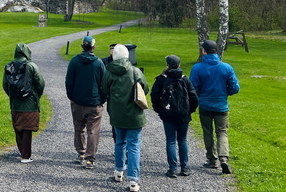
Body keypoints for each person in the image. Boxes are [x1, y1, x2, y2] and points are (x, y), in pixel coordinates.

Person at [102, 44, 149, 192]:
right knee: (134, 146)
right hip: (135, 115)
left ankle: (118, 172)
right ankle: (133, 181)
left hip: (117, 113)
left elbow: (104, 89)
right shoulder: (135, 71)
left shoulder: (109, 72)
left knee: (120, 143)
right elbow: (145, 89)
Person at [190, 40, 240, 174]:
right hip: (221, 106)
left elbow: (193, 88)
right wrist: (224, 93)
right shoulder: (226, 67)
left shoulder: (197, 68)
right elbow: (235, 88)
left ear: (204, 51)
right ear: (216, 51)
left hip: (205, 105)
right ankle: (224, 158)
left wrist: (201, 96)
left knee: (208, 132)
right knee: (222, 132)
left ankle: (212, 160)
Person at [151, 55, 199, 178]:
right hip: (183, 114)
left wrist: (160, 111)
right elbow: (194, 97)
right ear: (179, 65)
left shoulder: (161, 79)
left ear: (167, 65)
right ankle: (185, 167)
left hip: (168, 114)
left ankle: (172, 168)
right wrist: (189, 110)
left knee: (170, 141)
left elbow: (154, 96)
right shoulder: (184, 79)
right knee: (182, 140)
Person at [65, 35, 106, 168]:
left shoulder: (74, 61)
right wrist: (102, 100)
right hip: (94, 103)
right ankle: (90, 159)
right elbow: (104, 84)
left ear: (82, 46)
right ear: (93, 47)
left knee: (79, 128)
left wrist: (71, 96)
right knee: (93, 131)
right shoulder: (99, 63)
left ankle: (80, 153)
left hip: (78, 101)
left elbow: (69, 82)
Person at [2, 42, 46, 163]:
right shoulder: (31, 66)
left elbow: (5, 85)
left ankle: (22, 150)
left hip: (15, 104)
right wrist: (37, 95)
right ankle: (25, 156)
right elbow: (40, 83)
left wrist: (12, 96)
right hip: (30, 103)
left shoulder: (9, 66)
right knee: (27, 129)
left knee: (18, 127)